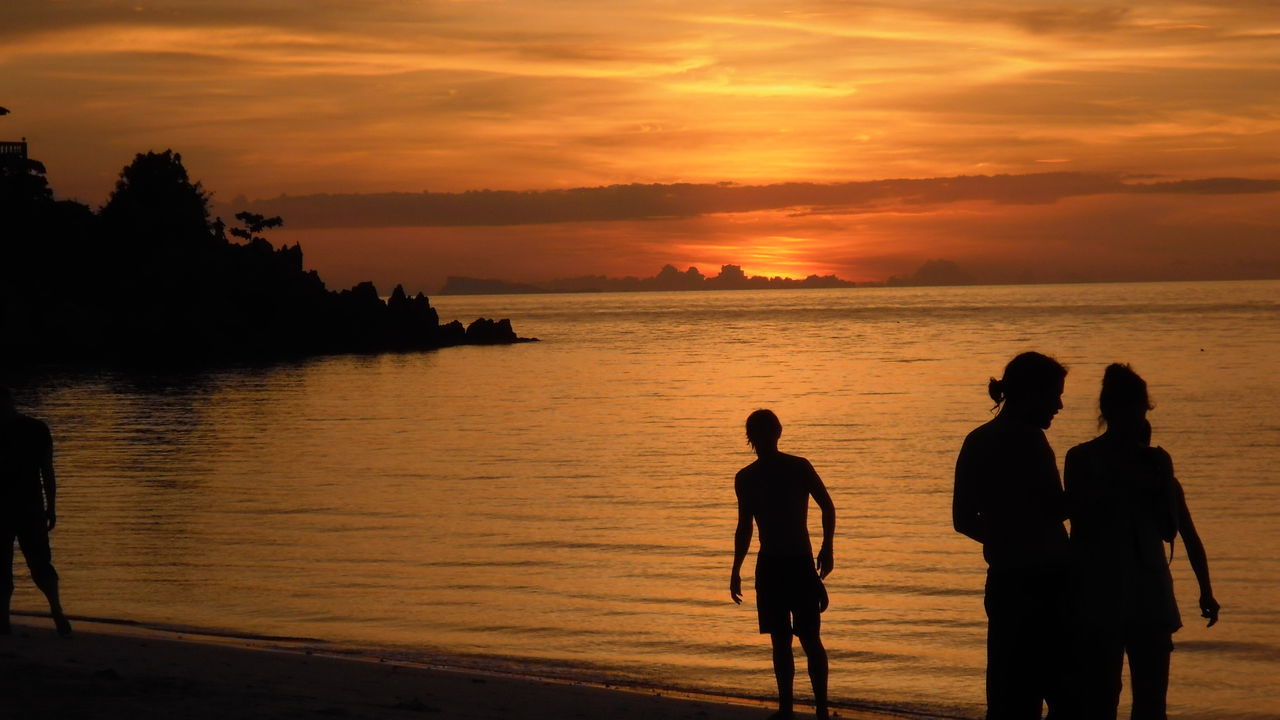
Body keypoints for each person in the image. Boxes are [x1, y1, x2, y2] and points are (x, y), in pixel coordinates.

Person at [1064, 364, 1219, 720]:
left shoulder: (1083, 458)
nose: (1138, 417)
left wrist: (1206, 590)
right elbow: (1172, 531)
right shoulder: (1115, 461)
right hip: (1126, 595)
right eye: (1137, 409)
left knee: (1111, 700)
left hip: (1111, 595)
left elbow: (1174, 531)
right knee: (1136, 702)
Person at [953, 352, 1074, 720]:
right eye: (1053, 395)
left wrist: (1002, 540)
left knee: (1010, 698)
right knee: (1064, 694)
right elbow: (1053, 509)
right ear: (1031, 393)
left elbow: (962, 519)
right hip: (1047, 585)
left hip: (1006, 582)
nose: (1059, 405)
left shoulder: (979, 439)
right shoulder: (1030, 441)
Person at [730, 409, 836, 720]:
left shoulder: (796, 468)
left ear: (776, 433)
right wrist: (736, 568)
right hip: (774, 565)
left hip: (796, 564)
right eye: (760, 433)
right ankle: (790, 708)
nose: (763, 438)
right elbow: (744, 527)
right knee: (783, 639)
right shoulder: (747, 477)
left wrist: (827, 547)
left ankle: (818, 709)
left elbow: (827, 506)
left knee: (806, 637)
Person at [0, 386, 71, 637]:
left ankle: (56, 611)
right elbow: (47, 472)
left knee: (39, 564)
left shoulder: (36, 429)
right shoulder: (36, 429)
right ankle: (8, 619)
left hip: (28, 508)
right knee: (17, 566)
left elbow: (47, 471)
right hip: (22, 508)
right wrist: (50, 506)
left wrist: (51, 506)